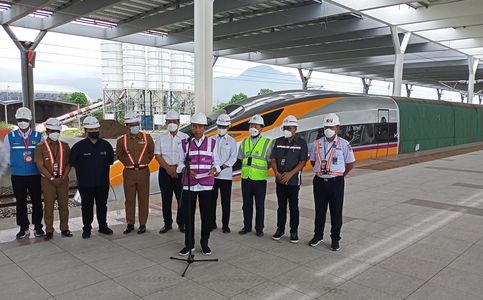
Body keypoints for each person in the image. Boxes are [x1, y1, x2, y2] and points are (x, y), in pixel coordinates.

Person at [176, 112, 221, 256]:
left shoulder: (213, 143)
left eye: (200, 127)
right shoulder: (185, 144)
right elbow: (179, 163)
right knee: (188, 215)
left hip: (207, 184)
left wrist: (215, 169)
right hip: (189, 184)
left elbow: (217, 163)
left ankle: (204, 242)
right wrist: (186, 170)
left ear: (205, 128)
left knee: (206, 215)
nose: (197, 129)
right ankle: (189, 244)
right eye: (194, 126)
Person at [309, 113, 355, 251]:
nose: (328, 129)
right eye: (326, 126)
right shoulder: (316, 144)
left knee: (336, 211)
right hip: (319, 182)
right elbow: (313, 161)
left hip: (336, 182)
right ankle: (318, 236)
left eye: (331, 126)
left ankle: (335, 239)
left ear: (338, 128)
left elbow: (350, 163)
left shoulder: (344, 144)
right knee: (319, 211)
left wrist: (340, 175)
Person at [70, 116, 115, 239]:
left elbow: (110, 161)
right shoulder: (78, 147)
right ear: (86, 130)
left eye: (96, 128)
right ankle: (87, 228)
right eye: (91, 129)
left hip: (102, 182)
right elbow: (73, 163)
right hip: (85, 184)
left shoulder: (106, 145)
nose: (94, 131)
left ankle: (103, 226)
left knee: (102, 205)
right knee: (86, 206)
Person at [4, 107, 44, 239]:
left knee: (37, 201)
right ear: (16, 120)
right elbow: (6, 155)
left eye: (25, 119)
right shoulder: (10, 137)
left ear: (30, 120)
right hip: (18, 175)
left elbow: (43, 155)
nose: (22, 122)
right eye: (20, 119)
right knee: (20, 202)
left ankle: (38, 227)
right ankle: (23, 227)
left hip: (34, 174)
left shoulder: (39, 136)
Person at [271, 115, 308, 243]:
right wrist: (276, 173)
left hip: (293, 181)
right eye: (285, 127)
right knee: (281, 206)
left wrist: (290, 174)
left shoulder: (301, 143)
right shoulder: (279, 141)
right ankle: (280, 229)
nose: (286, 129)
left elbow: (303, 162)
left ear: (295, 128)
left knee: (293, 207)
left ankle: (294, 231)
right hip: (280, 180)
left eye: (289, 127)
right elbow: (273, 159)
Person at [116, 112, 155, 234]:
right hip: (129, 172)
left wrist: (143, 163)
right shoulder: (121, 140)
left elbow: (151, 154)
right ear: (127, 126)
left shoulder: (147, 138)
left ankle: (143, 224)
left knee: (144, 199)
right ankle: (130, 223)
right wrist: (130, 164)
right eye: (131, 125)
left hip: (143, 172)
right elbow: (120, 156)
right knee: (129, 199)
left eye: (136, 124)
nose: (134, 127)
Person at [35, 117, 72, 240]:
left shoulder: (65, 146)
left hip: (62, 180)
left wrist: (63, 177)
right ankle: (49, 230)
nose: (55, 133)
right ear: (46, 131)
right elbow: (40, 165)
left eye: (57, 131)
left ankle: (65, 228)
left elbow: (69, 163)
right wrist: (52, 178)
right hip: (48, 181)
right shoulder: (40, 147)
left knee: (64, 206)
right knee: (49, 206)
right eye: (52, 131)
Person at [238, 114, 273, 237]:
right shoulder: (244, 142)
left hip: (259, 179)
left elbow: (270, 161)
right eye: (251, 125)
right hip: (246, 178)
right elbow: (241, 158)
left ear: (261, 128)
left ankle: (259, 228)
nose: (253, 128)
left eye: (255, 126)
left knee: (259, 204)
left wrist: (263, 169)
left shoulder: (267, 142)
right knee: (246, 204)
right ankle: (247, 226)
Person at [155, 110, 188, 234]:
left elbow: (187, 156)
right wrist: (168, 169)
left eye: (174, 121)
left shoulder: (185, 138)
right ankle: (167, 223)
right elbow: (157, 156)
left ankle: (182, 223)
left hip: (180, 171)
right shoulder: (160, 138)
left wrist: (177, 168)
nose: (171, 124)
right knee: (166, 199)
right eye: (169, 121)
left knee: (181, 199)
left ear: (179, 123)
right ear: (166, 122)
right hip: (164, 171)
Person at [211, 114, 238, 233]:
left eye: (224, 126)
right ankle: (212, 223)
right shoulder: (211, 139)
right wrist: (213, 169)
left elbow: (233, 159)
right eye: (219, 126)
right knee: (211, 201)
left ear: (228, 127)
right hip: (212, 176)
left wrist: (219, 168)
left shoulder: (232, 141)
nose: (221, 128)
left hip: (225, 177)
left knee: (225, 202)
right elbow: (209, 156)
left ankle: (225, 225)